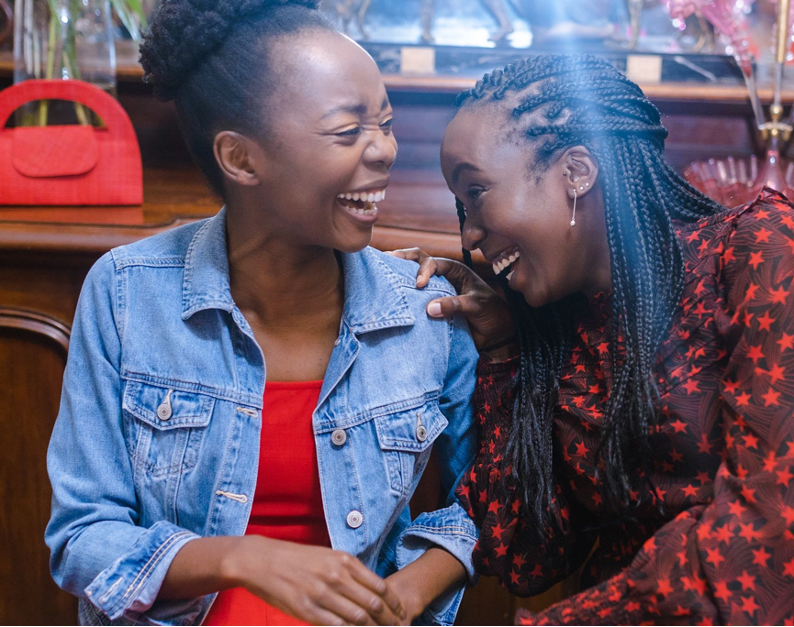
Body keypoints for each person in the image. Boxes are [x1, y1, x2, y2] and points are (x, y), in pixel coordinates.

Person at [393, 53, 794, 625]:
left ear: (577, 170)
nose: (471, 236)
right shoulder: (555, 321)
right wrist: (504, 353)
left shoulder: (764, 250)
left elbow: (766, 537)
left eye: (476, 192)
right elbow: (526, 553)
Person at [45, 2, 478, 625]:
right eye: (347, 130)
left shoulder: (425, 307)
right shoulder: (126, 293)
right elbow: (82, 537)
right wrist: (245, 559)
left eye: (383, 123)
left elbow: (487, 500)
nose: (384, 150)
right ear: (241, 159)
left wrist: (403, 597)